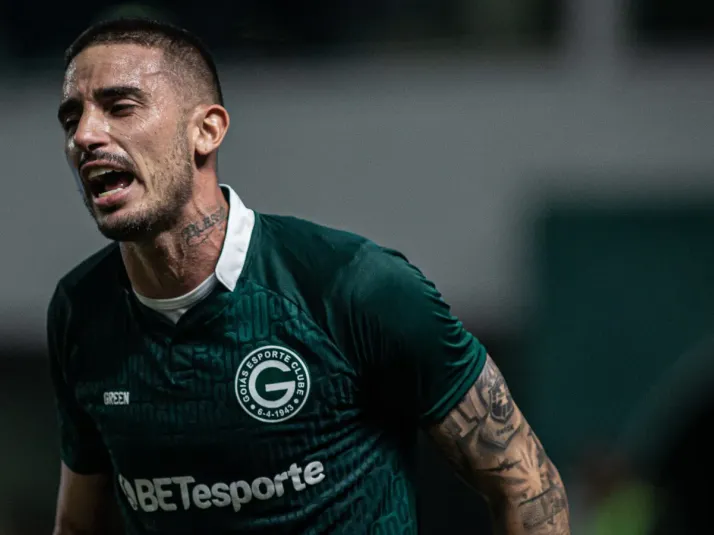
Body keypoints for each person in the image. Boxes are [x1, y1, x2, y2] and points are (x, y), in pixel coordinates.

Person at [49, 17, 570, 535]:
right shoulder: (80, 312)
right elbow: (77, 525)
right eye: (72, 118)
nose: (85, 136)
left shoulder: (354, 285)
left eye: (120, 107)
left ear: (205, 131)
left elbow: (525, 485)